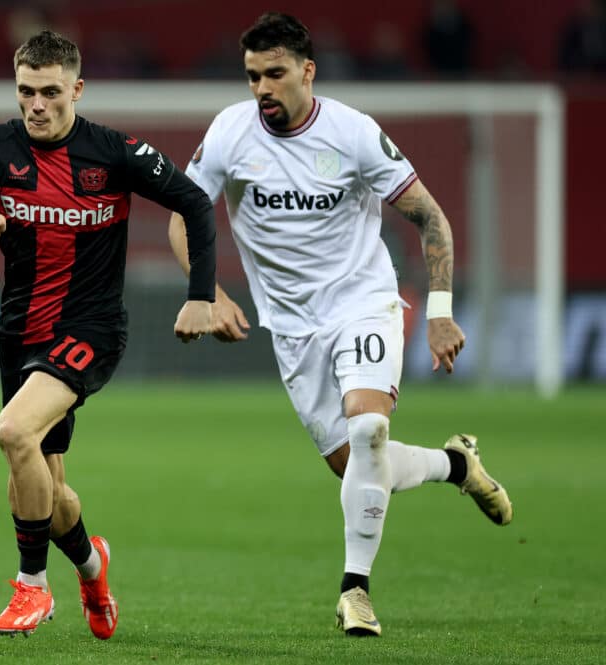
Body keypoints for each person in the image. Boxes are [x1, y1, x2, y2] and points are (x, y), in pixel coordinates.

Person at [168, 12, 512, 637]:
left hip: (364, 303)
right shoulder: (229, 133)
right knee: (357, 462)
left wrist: (439, 314)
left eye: (275, 74)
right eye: (252, 76)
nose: (262, 88)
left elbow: (431, 218)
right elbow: (182, 217)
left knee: (370, 426)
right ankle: (456, 466)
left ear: (308, 71)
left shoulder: (353, 133)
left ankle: (355, 591)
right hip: (292, 329)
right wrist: (207, 294)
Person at [0, 29, 216, 640]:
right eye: (26, 90)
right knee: (49, 490)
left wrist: (201, 296)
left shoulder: (114, 153)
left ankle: (32, 586)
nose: (37, 105)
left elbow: (196, 204)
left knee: (13, 431)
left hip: (90, 329)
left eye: (50, 92)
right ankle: (92, 568)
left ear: (77, 89)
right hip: (20, 331)